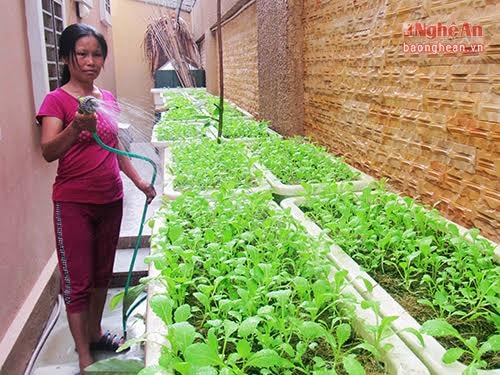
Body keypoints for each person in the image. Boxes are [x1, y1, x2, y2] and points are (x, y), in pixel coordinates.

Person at [36, 23, 156, 374]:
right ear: (66, 58)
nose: (91, 61)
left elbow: (117, 146)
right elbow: (47, 152)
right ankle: (83, 354)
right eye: (83, 54)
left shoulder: (107, 99)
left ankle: (96, 332)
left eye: (97, 54)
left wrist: (138, 182)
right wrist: (75, 127)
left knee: (102, 274)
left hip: (111, 201)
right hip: (73, 204)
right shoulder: (55, 101)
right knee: (78, 279)